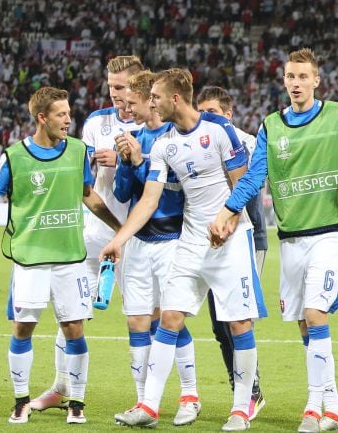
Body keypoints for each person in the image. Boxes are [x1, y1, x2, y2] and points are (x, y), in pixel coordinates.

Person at [211, 49, 338, 433]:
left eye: (302, 77)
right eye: (290, 77)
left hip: (329, 235)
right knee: (303, 325)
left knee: (316, 316)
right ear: (284, 81)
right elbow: (254, 177)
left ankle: (313, 408)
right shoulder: (271, 126)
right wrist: (230, 208)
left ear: (316, 80)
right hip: (291, 241)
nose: (295, 83)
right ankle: (334, 408)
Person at [100, 68, 264, 431]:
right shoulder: (162, 145)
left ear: (175, 98)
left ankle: (241, 408)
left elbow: (243, 183)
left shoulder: (218, 130)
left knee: (238, 322)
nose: (151, 103)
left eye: (156, 96)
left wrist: (229, 219)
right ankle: (148, 406)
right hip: (191, 241)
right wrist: (118, 239)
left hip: (232, 239)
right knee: (169, 319)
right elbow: (148, 200)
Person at [0, 87, 122, 424]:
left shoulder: (79, 151)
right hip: (30, 259)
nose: (69, 119)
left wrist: (119, 227)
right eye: (61, 114)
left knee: (74, 329)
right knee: (23, 328)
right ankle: (21, 400)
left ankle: (76, 404)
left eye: (69, 113)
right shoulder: (13, 157)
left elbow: (88, 194)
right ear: (42, 118)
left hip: (71, 259)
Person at [29, 55, 142, 413]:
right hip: (94, 233)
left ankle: (145, 400)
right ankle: (62, 388)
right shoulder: (96, 122)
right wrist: (99, 157)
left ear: (138, 85)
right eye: (111, 86)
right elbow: (86, 180)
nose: (115, 94)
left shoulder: (153, 122)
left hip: (139, 236)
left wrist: (131, 159)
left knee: (141, 318)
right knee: (70, 314)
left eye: (122, 87)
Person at [111, 70, 200, 425]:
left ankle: (190, 395)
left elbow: (174, 184)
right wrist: (127, 163)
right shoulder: (132, 137)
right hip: (138, 241)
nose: (127, 109)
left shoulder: (173, 134)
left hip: (171, 238)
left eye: (132, 102)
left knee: (170, 318)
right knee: (136, 319)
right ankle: (143, 401)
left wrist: (141, 161)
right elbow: (122, 194)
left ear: (152, 100)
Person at [196, 86, 267, 419]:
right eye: (202, 111)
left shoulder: (247, 143)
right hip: (210, 241)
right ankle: (240, 386)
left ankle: (250, 392)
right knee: (218, 325)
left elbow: (248, 196)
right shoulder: (199, 142)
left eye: (211, 112)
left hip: (245, 241)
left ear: (228, 113)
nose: (205, 117)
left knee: (237, 320)